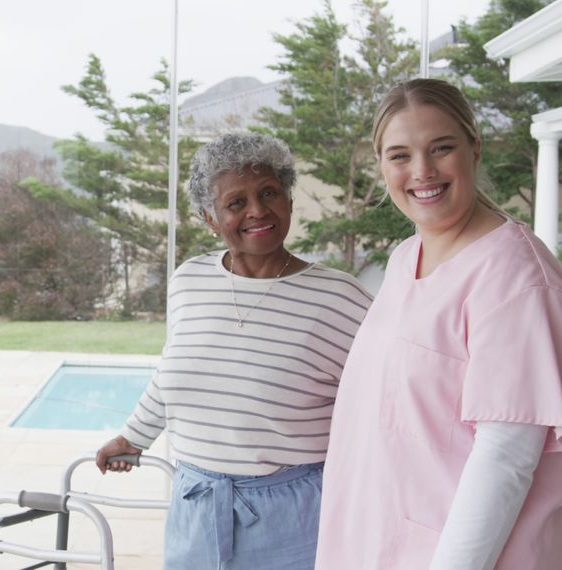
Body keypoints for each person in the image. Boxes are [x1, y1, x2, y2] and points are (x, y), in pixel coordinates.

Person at [95, 132, 373, 569]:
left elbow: (380, 402)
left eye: (268, 194)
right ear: (210, 217)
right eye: (235, 202)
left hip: (296, 510)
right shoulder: (189, 280)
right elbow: (175, 371)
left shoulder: (340, 298)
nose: (257, 211)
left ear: (289, 201)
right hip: (196, 501)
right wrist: (134, 437)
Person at [316, 78, 562, 569]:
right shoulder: (407, 256)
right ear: (381, 164)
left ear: (474, 147)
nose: (422, 171)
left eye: (441, 148)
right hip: (375, 542)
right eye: (400, 155)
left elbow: (506, 459)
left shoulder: (514, 275)